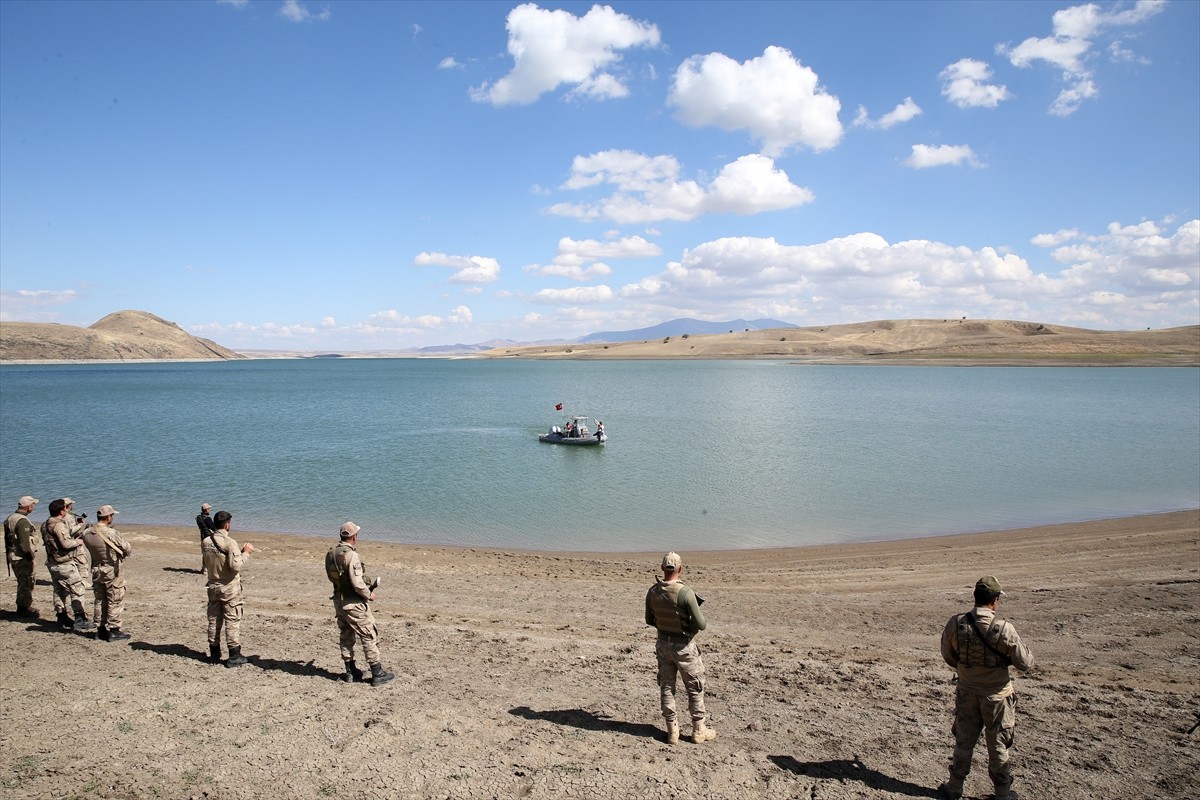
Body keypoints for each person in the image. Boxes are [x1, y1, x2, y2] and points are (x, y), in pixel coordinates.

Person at [939, 576, 1034, 800]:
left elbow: (948, 656)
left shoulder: (956, 623)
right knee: (999, 746)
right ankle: (1002, 794)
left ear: (975, 597)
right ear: (995, 600)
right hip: (997, 698)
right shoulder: (1004, 629)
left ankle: (954, 789)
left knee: (963, 742)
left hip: (967, 693)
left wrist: (968, 670)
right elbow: (1026, 663)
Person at [645, 551, 716, 745]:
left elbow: (649, 620)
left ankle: (672, 731)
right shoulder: (686, 593)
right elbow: (701, 624)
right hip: (684, 647)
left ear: (662, 568)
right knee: (694, 687)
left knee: (667, 686)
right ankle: (699, 730)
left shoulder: (653, 591)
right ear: (680, 568)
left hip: (663, 645)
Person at [325, 522, 395, 686]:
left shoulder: (331, 554)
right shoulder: (351, 555)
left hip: (339, 600)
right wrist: (369, 594)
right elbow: (357, 583)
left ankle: (350, 671)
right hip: (353, 602)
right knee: (368, 634)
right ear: (354, 537)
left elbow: (331, 577)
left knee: (346, 635)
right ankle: (377, 672)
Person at [202, 510, 254, 667]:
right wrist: (246, 553)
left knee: (214, 620)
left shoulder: (206, 541)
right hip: (229, 587)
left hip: (212, 585)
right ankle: (234, 655)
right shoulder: (230, 542)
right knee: (232, 619)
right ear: (227, 525)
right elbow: (235, 566)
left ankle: (214, 653)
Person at [41, 498, 96, 632]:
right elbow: (65, 544)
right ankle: (80, 618)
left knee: (59, 589)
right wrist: (78, 542)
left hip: (52, 562)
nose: (67, 510)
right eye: (65, 508)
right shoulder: (59, 525)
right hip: (63, 562)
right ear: (61, 511)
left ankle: (61, 615)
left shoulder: (44, 524)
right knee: (78, 588)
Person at [82, 505, 134, 641]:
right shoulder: (111, 533)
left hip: (96, 569)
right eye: (112, 515)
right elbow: (127, 549)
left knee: (99, 599)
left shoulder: (87, 532)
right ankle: (114, 629)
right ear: (108, 517)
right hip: (111, 569)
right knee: (114, 599)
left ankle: (100, 629)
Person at [4, 495, 41, 616]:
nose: (34, 507)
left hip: (13, 554)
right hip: (21, 556)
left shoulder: (11, 517)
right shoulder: (22, 521)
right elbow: (24, 544)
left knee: (23, 582)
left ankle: (24, 607)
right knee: (26, 582)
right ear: (28, 507)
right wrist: (30, 556)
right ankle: (23, 609)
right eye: (33, 505)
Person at [62, 497, 93, 610]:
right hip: (73, 542)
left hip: (67, 543)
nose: (71, 506)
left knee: (76, 561)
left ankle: (80, 580)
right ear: (67, 506)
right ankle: (83, 581)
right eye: (70, 505)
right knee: (81, 561)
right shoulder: (69, 517)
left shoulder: (58, 517)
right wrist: (80, 525)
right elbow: (71, 531)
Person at [195, 502, 214, 571]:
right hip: (208, 536)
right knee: (210, 552)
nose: (210, 510)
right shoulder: (207, 518)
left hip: (202, 536)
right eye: (209, 508)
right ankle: (207, 568)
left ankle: (204, 568)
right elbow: (213, 527)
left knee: (205, 552)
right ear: (207, 509)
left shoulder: (198, 518)